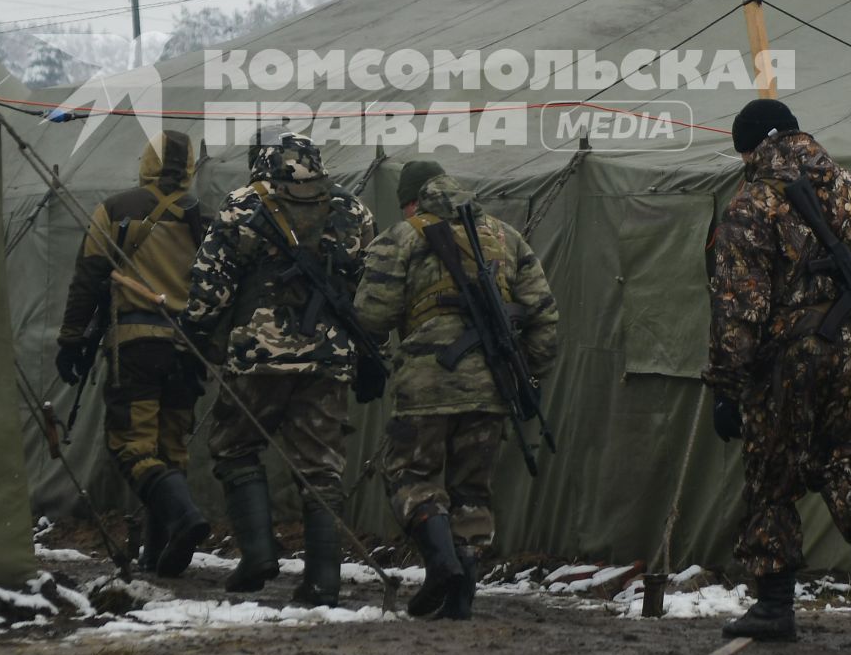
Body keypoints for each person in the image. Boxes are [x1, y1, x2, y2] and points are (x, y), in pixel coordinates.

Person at [705, 98, 851, 642]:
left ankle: (774, 607)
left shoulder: (751, 204)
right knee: (848, 469)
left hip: (789, 361)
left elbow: (740, 310)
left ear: (751, 148)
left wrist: (728, 389)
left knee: (772, 482)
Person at [353, 160, 558, 620]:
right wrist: (527, 375)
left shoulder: (402, 237)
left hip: (426, 382)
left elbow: (370, 315)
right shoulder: (506, 236)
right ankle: (461, 598)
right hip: (491, 384)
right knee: (471, 491)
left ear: (411, 200)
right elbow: (543, 316)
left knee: (410, 474)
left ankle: (441, 564)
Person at [179, 129, 375, 607]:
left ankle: (259, 554)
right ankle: (324, 581)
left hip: (258, 357)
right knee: (321, 467)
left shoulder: (243, 204)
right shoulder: (353, 210)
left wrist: (193, 334)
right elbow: (369, 287)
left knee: (234, 447)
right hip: (328, 361)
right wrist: (371, 349)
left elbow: (213, 282)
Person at [55, 129, 212, 578]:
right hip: (186, 352)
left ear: (145, 162)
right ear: (189, 169)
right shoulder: (205, 219)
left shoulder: (115, 211)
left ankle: (183, 521)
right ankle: (161, 554)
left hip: (137, 347)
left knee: (132, 445)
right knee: (171, 448)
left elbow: (87, 279)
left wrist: (71, 341)